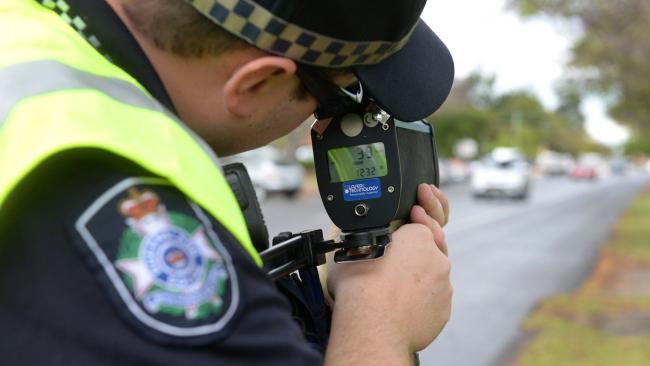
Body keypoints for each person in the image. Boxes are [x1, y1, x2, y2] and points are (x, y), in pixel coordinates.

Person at [0, 0, 454, 365]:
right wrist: (380, 325)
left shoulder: (25, 36)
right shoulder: (110, 190)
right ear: (256, 83)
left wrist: (315, 293)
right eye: (339, 94)